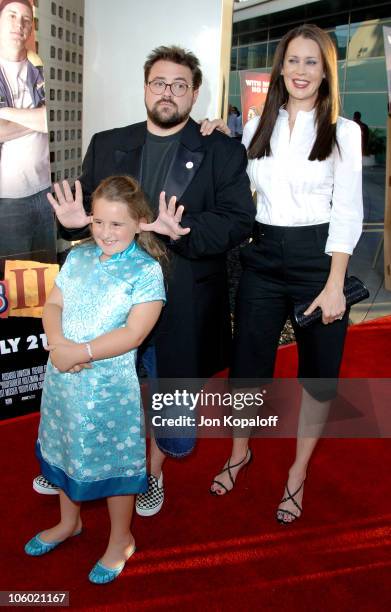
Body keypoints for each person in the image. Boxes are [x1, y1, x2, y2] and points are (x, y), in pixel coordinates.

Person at [33, 46, 255, 516]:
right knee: (105, 391)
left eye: (179, 85)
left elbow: (239, 221)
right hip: (109, 302)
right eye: (159, 83)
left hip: (182, 301)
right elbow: (95, 217)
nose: (168, 93)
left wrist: (184, 232)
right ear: (145, 87)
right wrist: (74, 223)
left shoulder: (221, 149)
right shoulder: (109, 142)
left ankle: (152, 471)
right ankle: (75, 459)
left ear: (194, 93)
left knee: (167, 398)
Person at [208, 24, 363, 523]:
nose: (300, 71)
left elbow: (349, 210)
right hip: (262, 256)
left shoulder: (343, 131)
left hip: (318, 260)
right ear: (280, 68)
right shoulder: (257, 125)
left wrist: (336, 282)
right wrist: (217, 132)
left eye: (311, 62)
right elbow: (237, 183)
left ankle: (297, 471)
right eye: (292, 61)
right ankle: (239, 453)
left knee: (317, 376)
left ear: (326, 71)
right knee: (248, 366)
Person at [24, 176, 166, 584]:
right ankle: (70, 523)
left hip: (108, 390)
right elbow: (53, 302)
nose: (105, 232)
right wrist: (59, 344)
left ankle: (121, 538)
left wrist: (79, 352)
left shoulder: (146, 271)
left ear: (140, 222)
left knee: (115, 464)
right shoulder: (79, 256)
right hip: (63, 379)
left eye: (117, 224)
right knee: (65, 449)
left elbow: (134, 333)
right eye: (99, 221)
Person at [0, 0, 55, 263]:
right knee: (11, 283)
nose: (19, 24)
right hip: (7, 199)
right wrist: (40, 118)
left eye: (25, 19)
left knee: (45, 274)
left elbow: (55, 119)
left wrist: (5, 112)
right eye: (11, 15)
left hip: (46, 191)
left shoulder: (41, 70)